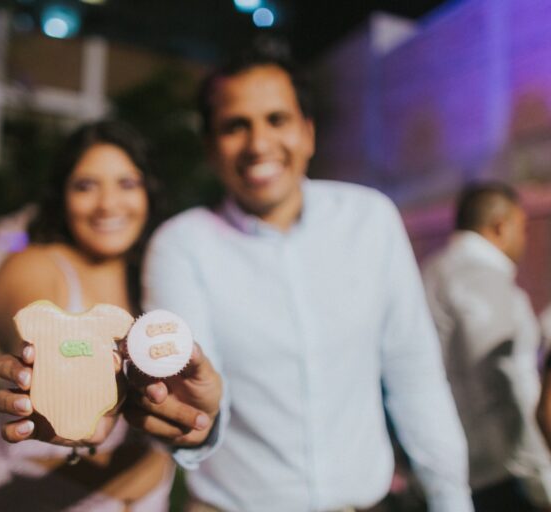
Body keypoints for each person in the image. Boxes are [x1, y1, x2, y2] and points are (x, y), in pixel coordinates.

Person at [136, 46, 471, 511]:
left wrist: (452, 500)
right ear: (211, 148)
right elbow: (192, 390)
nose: (259, 144)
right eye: (236, 126)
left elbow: (414, 373)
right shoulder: (181, 245)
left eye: (277, 120)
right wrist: (193, 420)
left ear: (308, 133)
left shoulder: (370, 219)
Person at [0, 120, 221, 511]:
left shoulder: (154, 282)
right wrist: (49, 383)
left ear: (149, 193)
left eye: (126, 184)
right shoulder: (34, 265)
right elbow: (35, 336)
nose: (107, 204)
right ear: (61, 196)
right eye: (86, 186)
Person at [423, 182, 551, 511]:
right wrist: (539, 474)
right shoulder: (482, 278)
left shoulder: (430, 274)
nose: (524, 239)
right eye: (522, 228)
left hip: (449, 469)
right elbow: (505, 381)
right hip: (502, 473)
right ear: (500, 227)